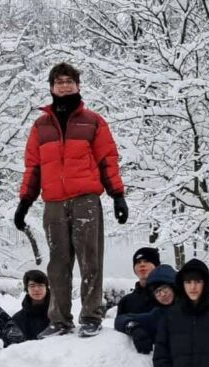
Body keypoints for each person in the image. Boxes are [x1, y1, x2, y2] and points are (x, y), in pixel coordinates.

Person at [14, 62, 128, 339]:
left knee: (90, 259)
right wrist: (25, 202)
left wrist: (117, 196)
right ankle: (59, 320)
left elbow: (107, 160)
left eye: (69, 81)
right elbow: (33, 167)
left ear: (78, 85)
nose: (64, 86)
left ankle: (90, 315)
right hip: (53, 202)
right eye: (58, 81)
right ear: (51, 87)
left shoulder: (93, 121)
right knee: (58, 263)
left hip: (85, 199)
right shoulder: (40, 126)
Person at [114, 264, 177, 354]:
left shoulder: (195, 310)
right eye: (157, 292)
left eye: (165, 289)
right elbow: (120, 319)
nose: (162, 295)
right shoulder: (158, 315)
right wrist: (134, 328)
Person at [118, 247, 160, 315]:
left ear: (156, 266)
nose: (142, 265)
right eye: (138, 262)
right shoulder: (126, 301)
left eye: (146, 261)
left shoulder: (167, 297)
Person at [11, 270, 51, 341]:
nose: (36, 289)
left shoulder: (58, 315)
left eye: (40, 285)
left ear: (47, 288)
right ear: (26, 289)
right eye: (32, 286)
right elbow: (12, 348)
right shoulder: (18, 319)